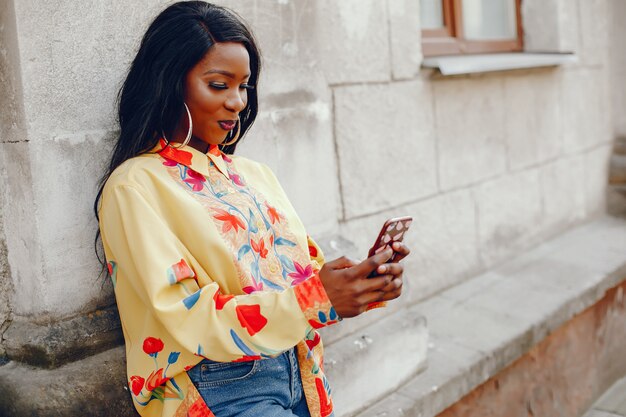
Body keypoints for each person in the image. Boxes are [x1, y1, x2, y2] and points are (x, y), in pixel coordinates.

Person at [94, 2, 410, 417]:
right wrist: (315, 300)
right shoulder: (135, 186)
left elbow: (305, 275)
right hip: (221, 387)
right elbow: (188, 316)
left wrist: (361, 282)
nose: (238, 102)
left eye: (244, 86)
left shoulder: (252, 174)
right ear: (171, 83)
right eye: (219, 84)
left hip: (303, 371)